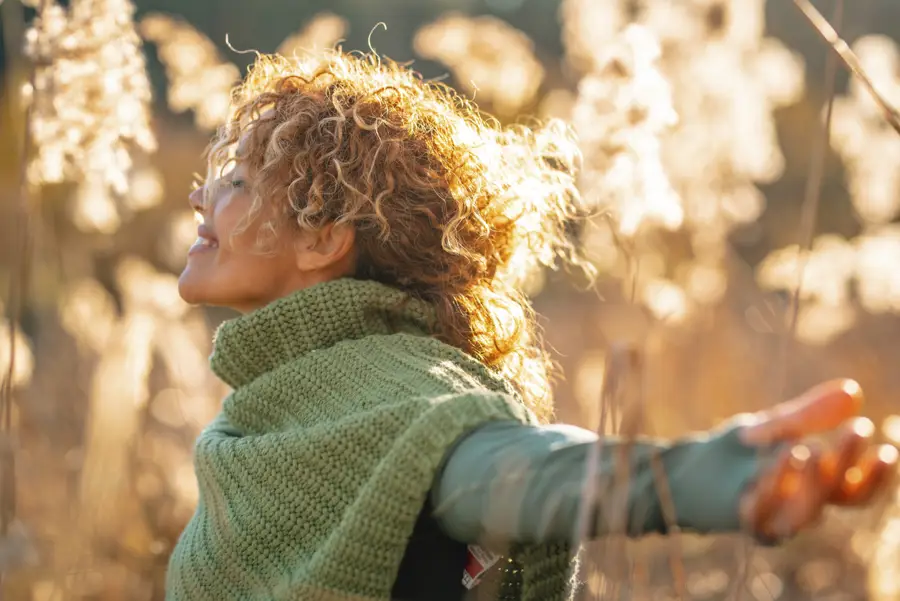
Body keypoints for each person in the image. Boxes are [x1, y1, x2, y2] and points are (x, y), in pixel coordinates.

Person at [165, 50, 897, 601]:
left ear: (325, 239)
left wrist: (697, 478)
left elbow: (507, 467)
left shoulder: (399, 383)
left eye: (236, 182)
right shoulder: (267, 412)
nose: (201, 195)